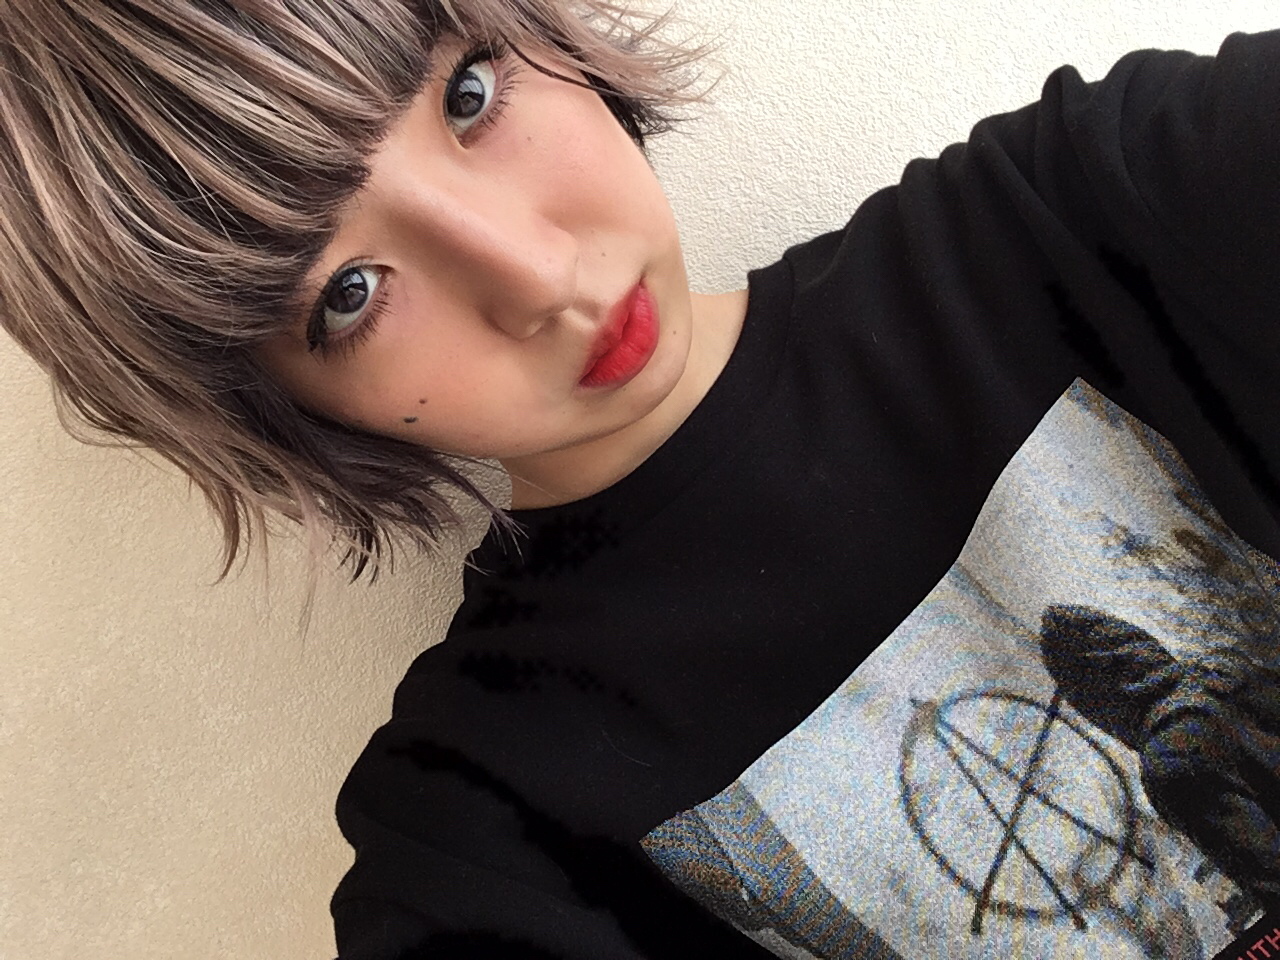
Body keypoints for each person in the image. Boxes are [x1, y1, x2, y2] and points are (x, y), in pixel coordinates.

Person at [1, 1, 1278, 958]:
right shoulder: (482, 835)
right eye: (347, 292)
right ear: (276, 402)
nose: (536, 276)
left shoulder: (1101, 202)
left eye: (468, 94)